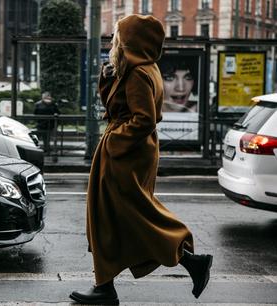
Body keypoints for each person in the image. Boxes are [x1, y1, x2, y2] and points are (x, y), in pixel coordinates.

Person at [69, 15, 213, 305]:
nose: (113, 41)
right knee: (114, 216)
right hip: (131, 152)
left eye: (118, 37)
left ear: (130, 41)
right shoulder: (141, 68)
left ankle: (187, 259)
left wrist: (113, 142)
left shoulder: (137, 73)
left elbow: (145, 118)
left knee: (126, 215)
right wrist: (109, 75)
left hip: (125, 153)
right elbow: (120, 107)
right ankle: (104, 286)